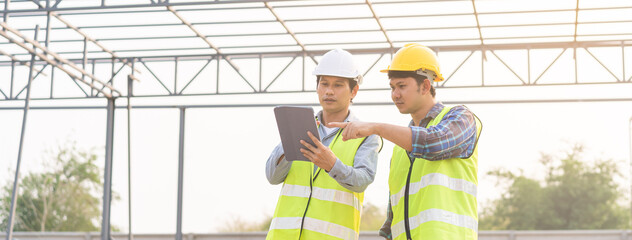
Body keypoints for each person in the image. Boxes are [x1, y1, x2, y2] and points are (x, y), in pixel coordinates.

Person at [329, 43, 483, 240]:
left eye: (402, 86)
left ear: (426, 86)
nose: (395, 94)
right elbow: (392, 219)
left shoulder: (461, 118)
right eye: (392, 87)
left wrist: (377, 127)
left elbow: (432, 143)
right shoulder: (400, 149)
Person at [265, 49, 382, 240]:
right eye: (324, 84)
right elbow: (272, 176)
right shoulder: (299, 126)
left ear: (354, 91)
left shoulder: (365, 136)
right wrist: (288, 143)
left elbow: (362, 181)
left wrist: (333, 165)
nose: (329, 91)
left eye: (337, 85)